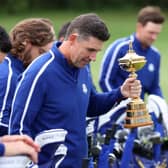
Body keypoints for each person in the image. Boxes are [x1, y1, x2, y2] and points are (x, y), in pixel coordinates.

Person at [9, 13, 141, 168]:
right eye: (90, 49)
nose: (93, 57)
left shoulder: (82, 67)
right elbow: (18, 129)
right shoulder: (39, 72)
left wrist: (120, 93)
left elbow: (91, 105)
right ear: (72, 39)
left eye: (97, 51)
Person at [98, 6, 167, 167]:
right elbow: (104, 80)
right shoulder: (119, 48)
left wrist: (161, 109)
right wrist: (122, 105)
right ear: (139, 27)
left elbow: (154, 87)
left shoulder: (155, 55)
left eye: (157, 33)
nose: (154, 37)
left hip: (140, 117)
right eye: (151, 32)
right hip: (115, 115)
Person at [0, 18, 56, 136]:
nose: (44, 60)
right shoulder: (10, 76)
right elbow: (2, 125)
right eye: (41, 52)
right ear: (25, 43)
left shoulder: (23, 70)